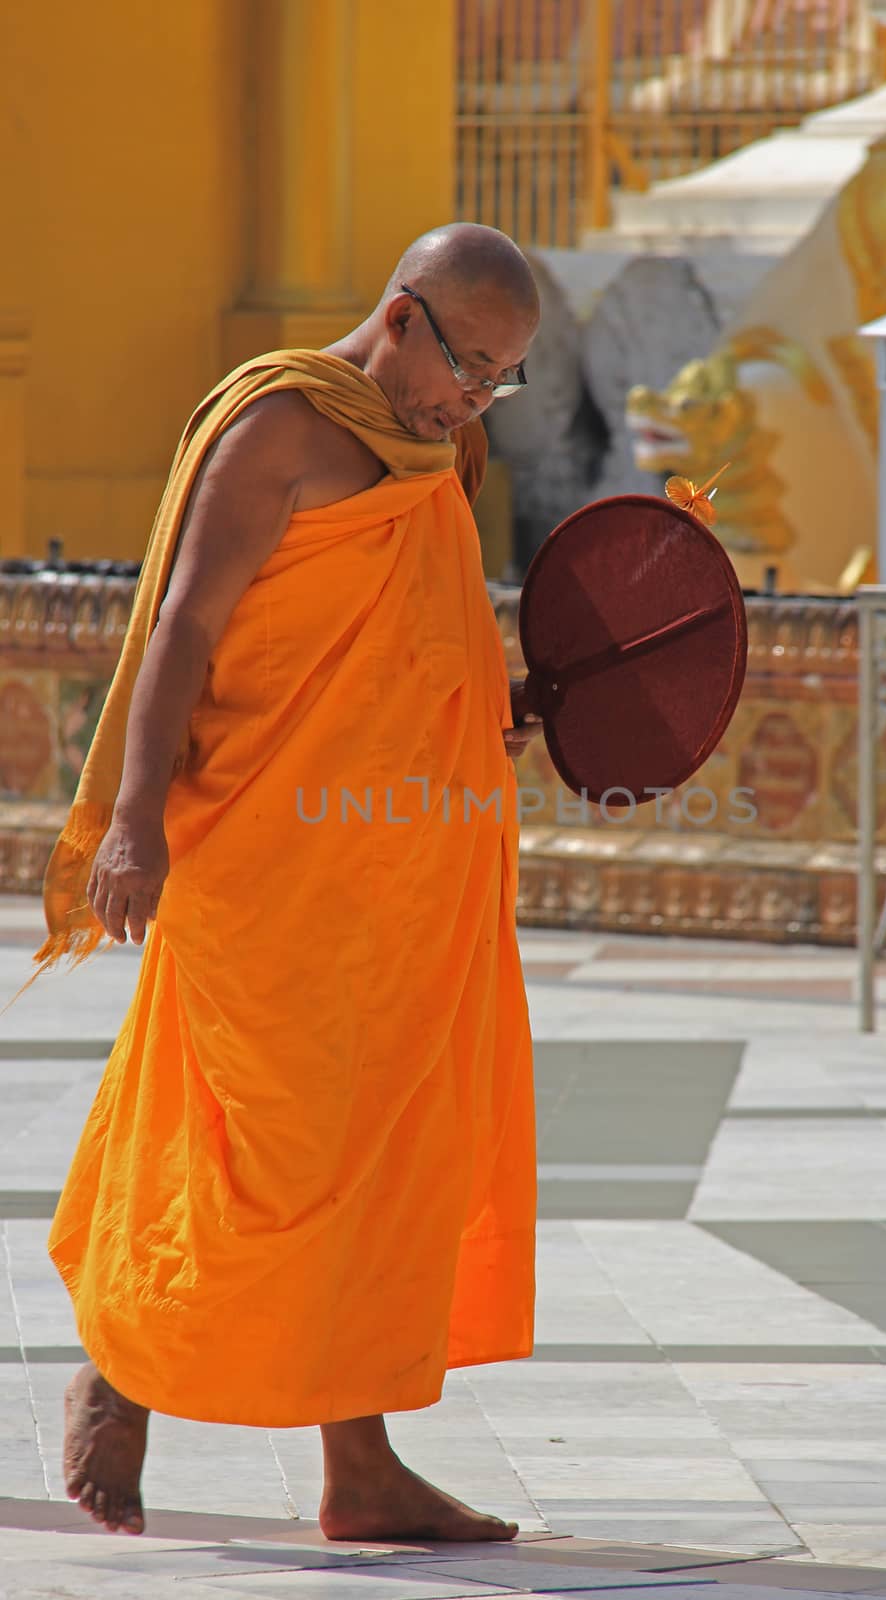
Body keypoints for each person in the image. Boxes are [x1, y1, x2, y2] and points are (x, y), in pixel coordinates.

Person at [46, 223, 544, 1543]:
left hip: (404, 867)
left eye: (501, 379)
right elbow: (189, 626)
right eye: (470, 365)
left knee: (384, 1159)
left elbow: (417, 635)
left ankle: (361, 1463)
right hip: (266, 855)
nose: (475, 399)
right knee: (273, 1149)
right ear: (399, 317)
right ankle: (125, 1365)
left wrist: (494, 705)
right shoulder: (280, 426)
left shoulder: (441, 445)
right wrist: (133, 824)